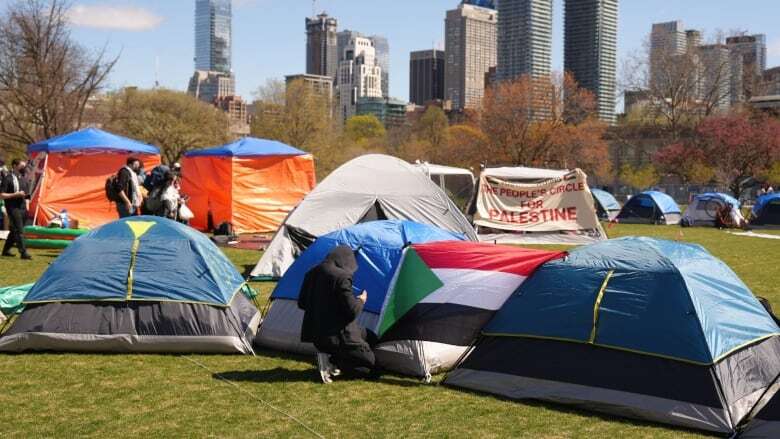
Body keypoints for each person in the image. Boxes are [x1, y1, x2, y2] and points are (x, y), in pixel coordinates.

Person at [298, 246, 380, 383]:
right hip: (339, 336)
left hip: (316, 335)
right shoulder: (342, 277)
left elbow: (302, 303)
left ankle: (334, 359)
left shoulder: (311, 272)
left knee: (370, 336)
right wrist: (361, 300)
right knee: (374, 367)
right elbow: (353, 311)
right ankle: (334, 363)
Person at [0, 159, 32, 260]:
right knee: (19, 230)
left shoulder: (23, 179)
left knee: (14, 230)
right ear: (14, 166)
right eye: (21, 166)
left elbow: (27, 195)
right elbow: (1, 195)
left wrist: (27, 207)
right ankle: (23, 252)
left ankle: (5, 250)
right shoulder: (8, 178)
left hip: (23, 208)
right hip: (13, 208)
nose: (24, 168)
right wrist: (15, 194)